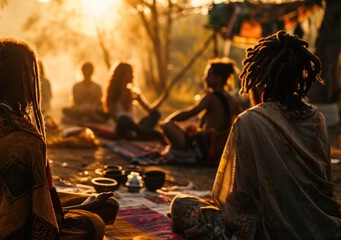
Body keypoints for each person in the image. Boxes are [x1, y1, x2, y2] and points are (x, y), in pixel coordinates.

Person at [0, 33, 118, 239]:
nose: (35, 82)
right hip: (0, 228)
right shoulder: (24, 139)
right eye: (32, 76)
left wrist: (84, 203)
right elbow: (31, 219)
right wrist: (87, 209)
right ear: (21, 80)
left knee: (101, 203)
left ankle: (87, 205)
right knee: (95, 223)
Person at [169, 31, 341, 239]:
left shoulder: (250, 120)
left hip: (263, 230)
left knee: (180, 204)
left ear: (258, 77)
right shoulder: (317, 119)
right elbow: (324, 188)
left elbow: (238, 199)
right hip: (317, 225)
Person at [160, 58, 240, 165]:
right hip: (217, 149)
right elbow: (241, 118)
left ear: (218, 78)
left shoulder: (210, 98)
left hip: (203, 149)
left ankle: (186, 153)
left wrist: (169, 120)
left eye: (208, 75)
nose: (204, 79)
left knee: (168, 126)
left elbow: (190, 113)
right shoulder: (232, 99)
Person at [105, 62, 163, 140]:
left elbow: (150, 110)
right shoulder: (113, 93)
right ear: (121, 75)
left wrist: (163, 97)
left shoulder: (133, 93)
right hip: (121, 127)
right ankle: (144, 133)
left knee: (155, 114)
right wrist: (128, 127)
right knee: (123, 119)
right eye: (129, 72)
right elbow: (113, 116)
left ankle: (142, 133)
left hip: (134, 127)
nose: (132, 75)